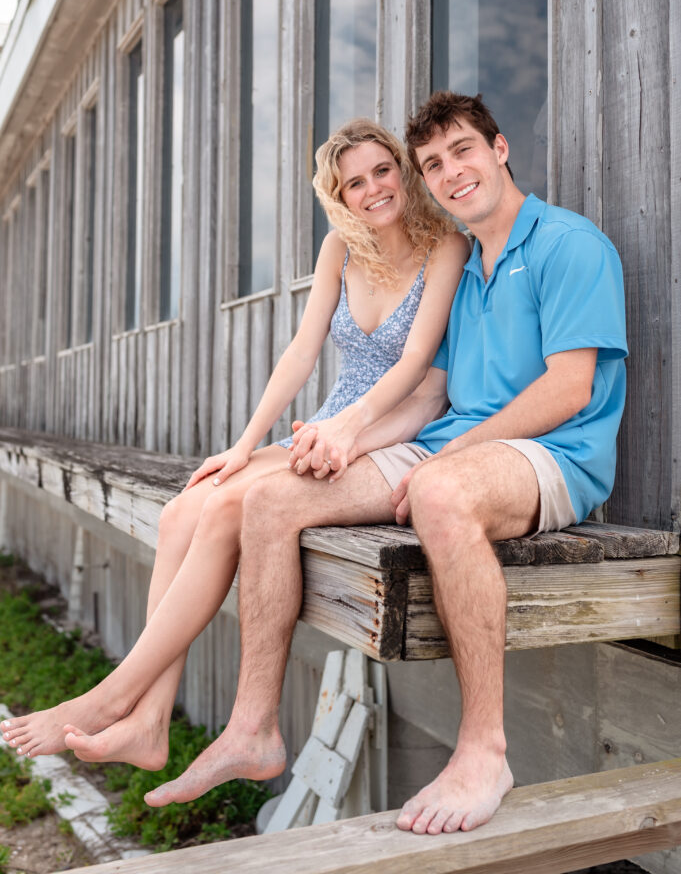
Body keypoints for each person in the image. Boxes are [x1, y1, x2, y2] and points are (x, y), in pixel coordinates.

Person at [141, 91, 627, 834]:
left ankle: (483, 750)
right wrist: (347, 438)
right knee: (270, 501)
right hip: (450, 446)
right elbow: (431, 388)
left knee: (437, 494)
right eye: (432, 163)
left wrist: (451, 457)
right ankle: (253, 728)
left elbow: (570, 388)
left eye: (462, 150)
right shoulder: (464, 269)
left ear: (498, 149)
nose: (449, 170)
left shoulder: (568, 243)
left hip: (552, 456)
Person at [1, 119, 468, 767]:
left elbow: (417, 364)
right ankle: (151, 721)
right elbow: (302, 352)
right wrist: (246, 444)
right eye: (353, 182)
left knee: (220, 511)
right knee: (182, 509)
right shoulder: (340, 247)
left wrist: (348, 434)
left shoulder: (444, 246)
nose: (372, 190)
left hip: (381, 430)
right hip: (324, 423)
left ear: (402, 168)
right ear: (338, 194)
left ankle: (111, 700)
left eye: (381, 171)